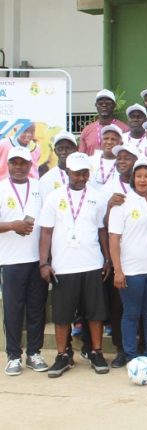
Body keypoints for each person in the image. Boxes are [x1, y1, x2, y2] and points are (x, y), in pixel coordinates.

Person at [38, 152, 111, 378]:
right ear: (68, 172)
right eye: (77, 173)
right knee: (62, 315)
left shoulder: (97, 197)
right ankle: (62, 355)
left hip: (92, 263)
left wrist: (107, 259)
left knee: (95, 313)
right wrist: (44, 263)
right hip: (63, 265)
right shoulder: (54, 197)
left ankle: (96, 352)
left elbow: (102, 230)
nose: (81, 177)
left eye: (85, 173)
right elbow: (46, 232)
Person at [108, 160, 147, 367]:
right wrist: (118, 270)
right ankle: (131, 356)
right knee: (131, 313)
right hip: (130, 269)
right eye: (138, 176)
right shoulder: (122, 203)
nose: (142, 180)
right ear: (132, 179)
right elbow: (114, 238)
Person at [1, 146, 48, 376]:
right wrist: (12, 225)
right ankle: (13, 356)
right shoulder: (1, 188)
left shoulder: (40, 188)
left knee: (37, 309)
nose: (18, 167)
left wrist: (47, 258)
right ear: (8, 164)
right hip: (11, 260)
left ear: (31, 165)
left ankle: (34, 353)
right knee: (13, 310)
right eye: (14, 163)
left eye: (23, 163)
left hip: (37, 259)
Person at [79, 89, 129, 155]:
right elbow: (81, 155)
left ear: (114, 105)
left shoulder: (124, 129)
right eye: (100, 103)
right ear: (96, 105)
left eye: (108, 103)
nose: (104, 105)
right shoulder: (87, 130)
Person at [39, 131, 79, 199]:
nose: (64, 152)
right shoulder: (47, 179)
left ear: (75, 149)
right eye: (60, 148)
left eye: (68, 148)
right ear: (55, 151)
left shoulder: (84, 176)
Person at [89, 125, 122, 191]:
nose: (109, 142)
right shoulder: (90, 160)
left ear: (120, 143)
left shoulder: (123, 163)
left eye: (113, 139)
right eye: (106, 139)